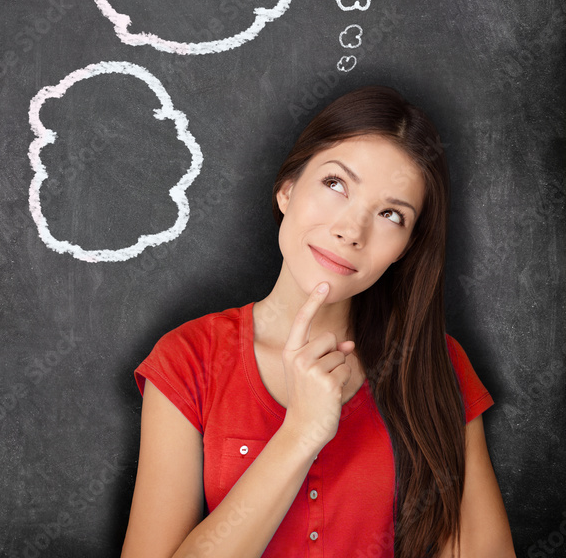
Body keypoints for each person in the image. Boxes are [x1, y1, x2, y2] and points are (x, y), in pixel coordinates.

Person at [120, 86, 515, 558]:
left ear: (406, 247)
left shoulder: (437, 364)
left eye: (391, 214)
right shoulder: (190, 358)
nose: (351, 230)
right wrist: (301, 433)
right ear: (286, 189)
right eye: (335, 184)